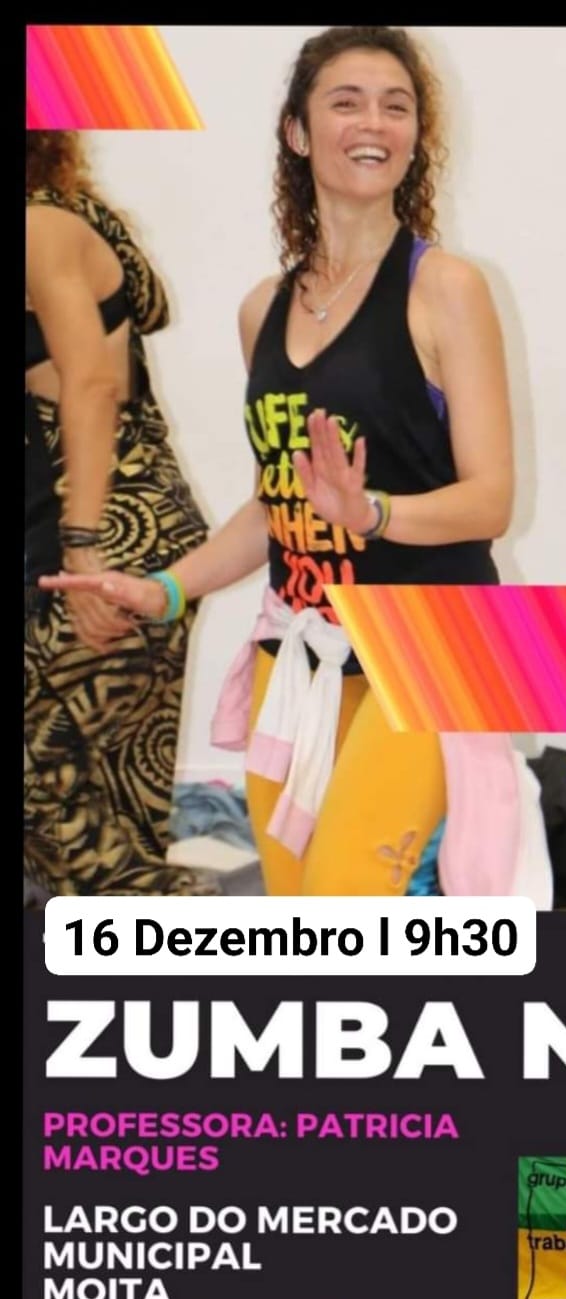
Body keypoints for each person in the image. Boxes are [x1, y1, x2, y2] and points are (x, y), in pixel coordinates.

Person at [41, 26, 516, 898]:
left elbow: (489, 501)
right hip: (297, 646)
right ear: (298, 132)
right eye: (347, 102)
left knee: (344, 895)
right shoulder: (263, 310)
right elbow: (277, 506)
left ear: (417, 136)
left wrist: (372, 513)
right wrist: (167, 589)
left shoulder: (445, 288)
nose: (374, 123)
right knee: (292, 906)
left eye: (396, 106)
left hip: (428, 644)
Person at [25, 131, 211, 897]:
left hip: (107, 534)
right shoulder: (70, 212)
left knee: (56, 793)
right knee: (111, 800)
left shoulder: (39, 225)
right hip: (128, 527)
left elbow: (92, 382)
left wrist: (83, 546)